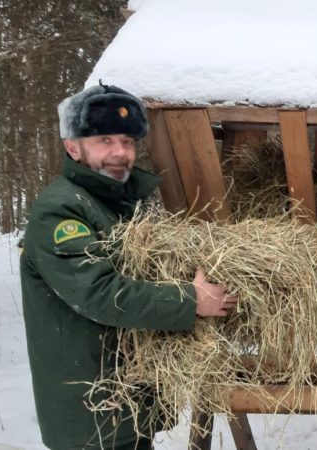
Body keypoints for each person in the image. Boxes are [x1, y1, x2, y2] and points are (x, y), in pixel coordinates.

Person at [20, 83, 237, 450]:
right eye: (104, 140)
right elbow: (98, 294)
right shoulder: (62, 209)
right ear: (73, 147)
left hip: (123, 404)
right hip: (91, 409)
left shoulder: (116, 204)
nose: (120, 153)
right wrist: (190, 301)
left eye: (128, 141)